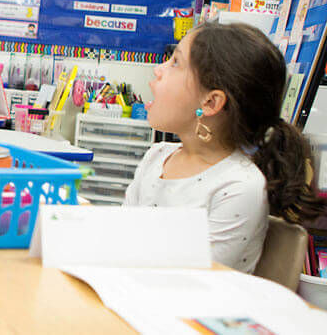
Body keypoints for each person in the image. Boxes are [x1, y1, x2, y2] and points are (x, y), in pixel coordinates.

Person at [124, 23, 326, 273]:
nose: (158, 70)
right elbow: (124, 240)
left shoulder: (238, 186)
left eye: (175, 62)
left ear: (210, 102)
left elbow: (194, 282)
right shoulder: (158, 156)